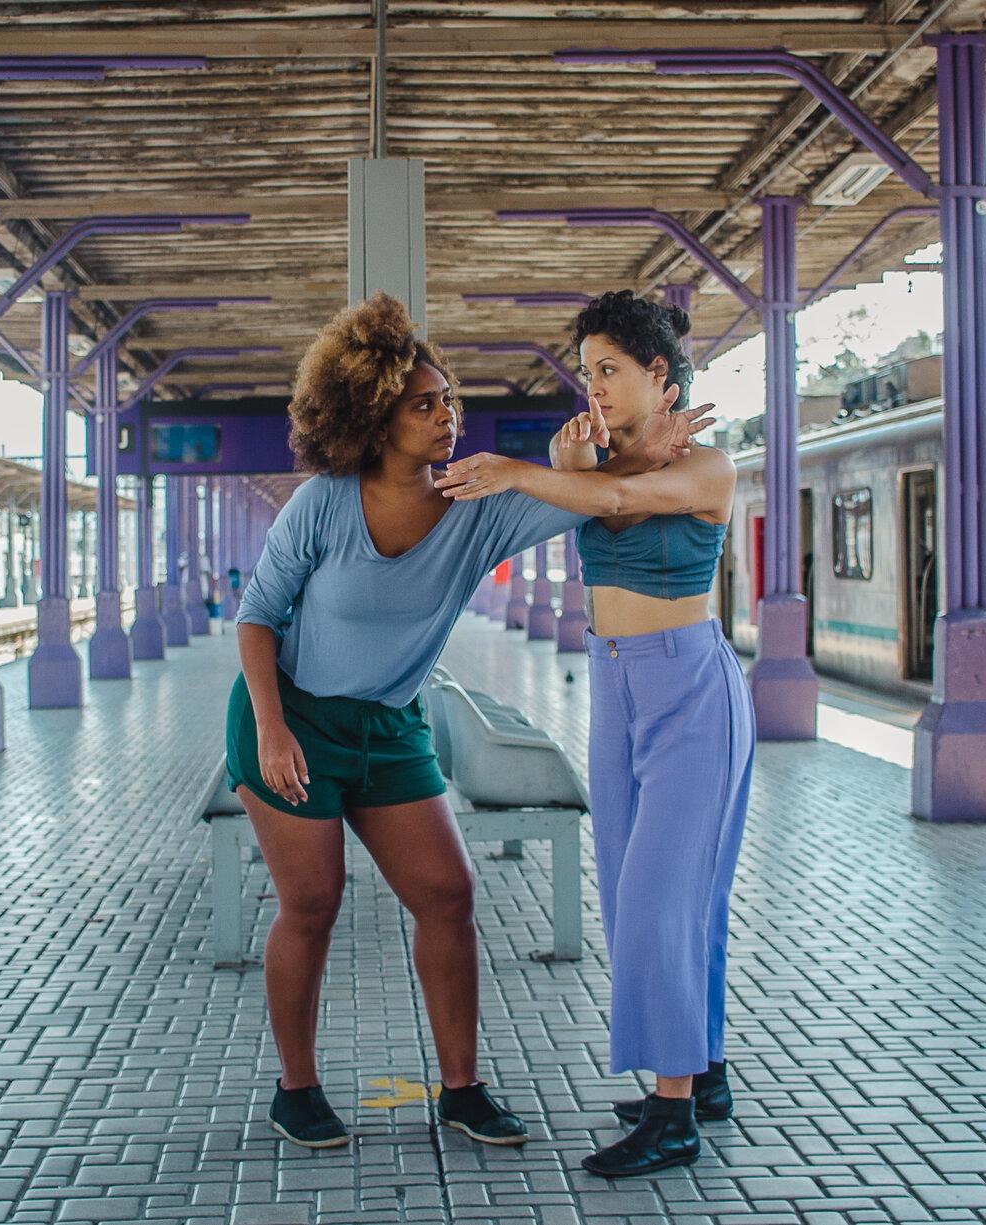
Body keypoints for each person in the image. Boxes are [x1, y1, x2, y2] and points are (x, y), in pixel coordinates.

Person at [228, 293, 705, 1150]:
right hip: (291, 715)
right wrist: (270, 727)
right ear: (375, 417)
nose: (447, 415)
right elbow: (257, 615)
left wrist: (642, 454)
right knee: (313, 901)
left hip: (391, 725)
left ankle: (462, 1089)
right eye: (424, 403)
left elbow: (589, 496)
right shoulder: (323, 505)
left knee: (448, 894)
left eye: (450, 399)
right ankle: (295, 1088)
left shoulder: (477, 505)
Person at [434, 290, 753, 1179]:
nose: (595, 386)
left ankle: (673, 1111)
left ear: (660, 373)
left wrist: (519, 468)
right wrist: (570, 463)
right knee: (626, 892)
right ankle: (705, 1069)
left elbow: (613, 496)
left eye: (609, 369)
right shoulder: (587, 454)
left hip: (689, 686)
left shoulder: (710, 467)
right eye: (587, 371)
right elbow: (598, 497)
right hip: (615, 683)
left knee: (665, 897)